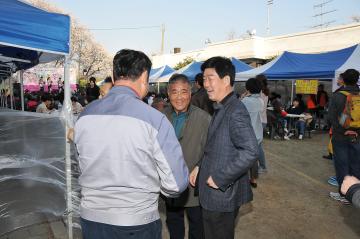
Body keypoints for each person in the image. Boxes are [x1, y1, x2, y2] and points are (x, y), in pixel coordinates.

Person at [74, 49, 189, 239]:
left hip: (91, 219)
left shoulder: (85, 115)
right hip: (136, 221)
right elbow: (176, 185)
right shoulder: (155, 120)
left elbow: (80, 163)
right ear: (144, 77)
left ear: (113, 75)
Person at [191, 56, 258, 239]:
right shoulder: (222, 106)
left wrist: (220, 178)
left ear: (226, 80)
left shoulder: (235, 110)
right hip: (215, 194)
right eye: (204, 79)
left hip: (221, 196)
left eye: (210, 78)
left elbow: (251, 151)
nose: (205, 84)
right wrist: (199, 166)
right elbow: (215, 145)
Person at [164, 74, 211, 239]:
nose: (179, 97)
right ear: (168, 94)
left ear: (190, 94)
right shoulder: (161, 118)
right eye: (174, 92)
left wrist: (200, 166)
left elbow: (211, 151)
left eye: (183, 92)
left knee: (197, 226)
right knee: (174, 223)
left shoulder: (204, 118)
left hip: (194, 184)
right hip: (171, 183)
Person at [328, 69, 360, 204]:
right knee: (356, 164)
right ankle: (356, 193)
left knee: (342, 165)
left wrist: (342, 129)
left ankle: (344, 194)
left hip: (341, 136)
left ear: (344, 80)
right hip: (358, 135)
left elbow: (331, 117)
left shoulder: (338, 95)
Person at [241, 78, 264, 188]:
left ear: (247, 88)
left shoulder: (246, 101)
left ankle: (243, 180)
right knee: (254, 159)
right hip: (258, 134)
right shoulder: (261, 101)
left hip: (247, 134)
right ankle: (253, 179)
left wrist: (243, 96)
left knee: (243, 158)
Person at [256, 74, 269, 172]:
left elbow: (259, 108)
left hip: (260, 121)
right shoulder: (264, 92)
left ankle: (263, 166)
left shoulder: (261, 93)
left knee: (258, 145)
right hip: (261, 121)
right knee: (257, 145)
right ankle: (261, 165)